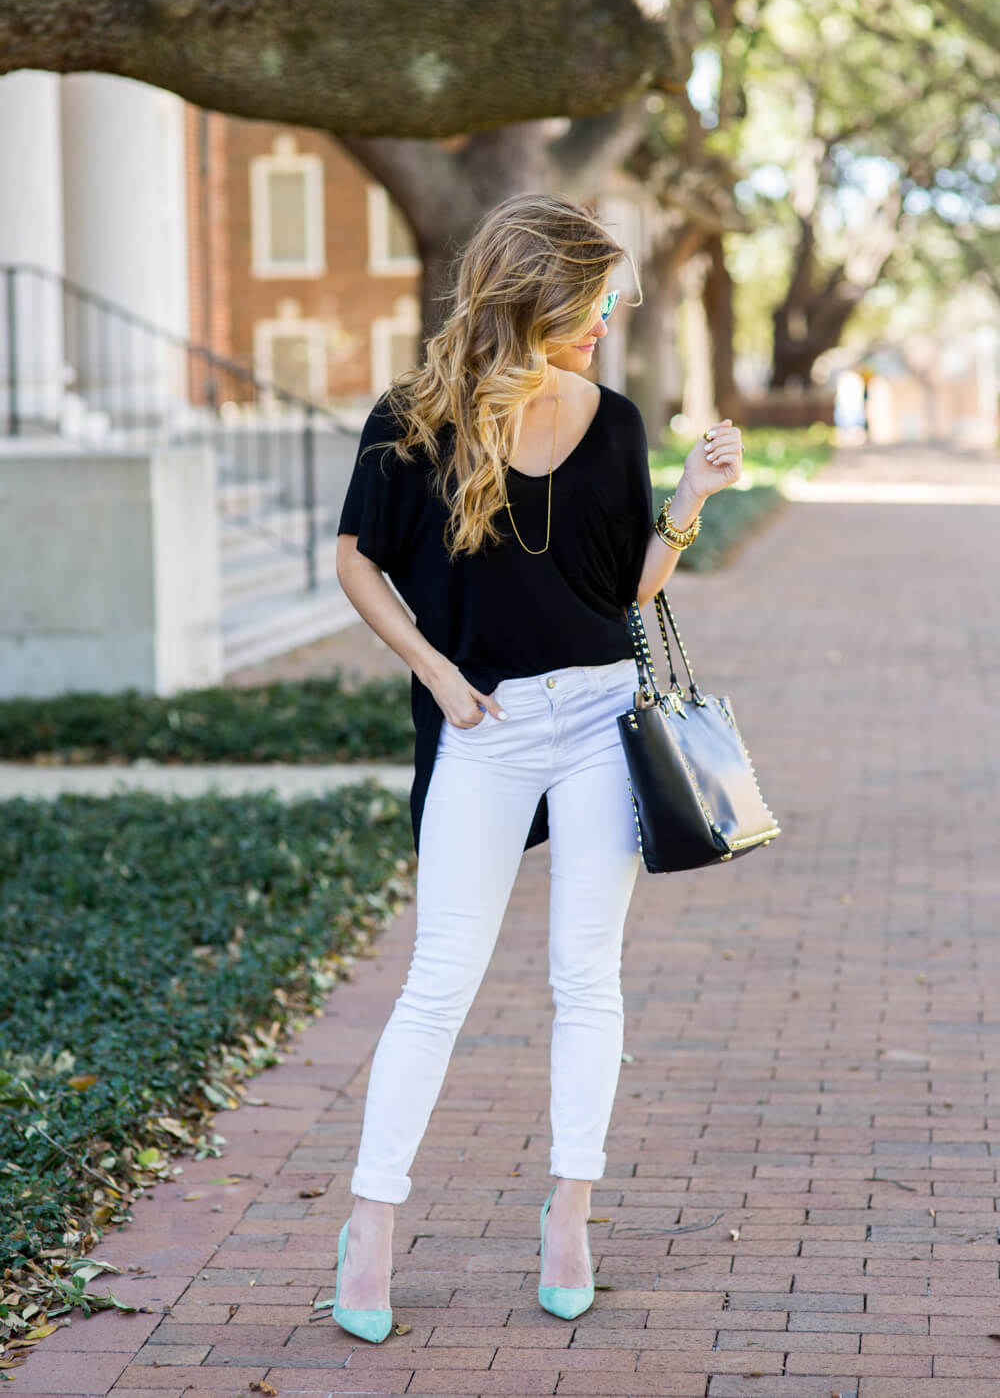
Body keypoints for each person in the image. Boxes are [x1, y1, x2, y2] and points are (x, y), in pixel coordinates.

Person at [333, 191, 744, 1342]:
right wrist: (433, 670)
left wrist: (691, 501)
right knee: (440, 977)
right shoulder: (412, 418)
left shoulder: (612, 422)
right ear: (544, 297)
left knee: (584, 974)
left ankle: (570, 1212)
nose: (609, 322)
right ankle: (369, 1226)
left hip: (600, 715)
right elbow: (355, 563)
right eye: (599, 301)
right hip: (486, 723)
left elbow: (625, 595)